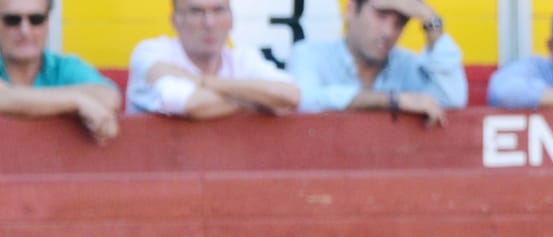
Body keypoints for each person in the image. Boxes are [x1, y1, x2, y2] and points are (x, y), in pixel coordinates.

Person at [289, 0, 465, 126]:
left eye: (400, 22)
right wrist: (392, 100)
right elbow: (304, 99)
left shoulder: (406, 65)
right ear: (351, 11)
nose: (389, 32)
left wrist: (430, 19)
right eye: (381, 16)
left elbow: (451, 97)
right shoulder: (309, 55)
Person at [128, 0, 299, 119]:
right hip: (161, 166)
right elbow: (192, 105)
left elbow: (290, 94)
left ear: (232, 20)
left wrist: (200, 81)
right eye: (196, 11)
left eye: (218, 10)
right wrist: (258, 98)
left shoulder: (242, 57)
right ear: (175, 21)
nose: (209, 23)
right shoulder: (151, 52)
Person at [0, 0, 119, 142]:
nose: (25, 30)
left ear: (48, 22)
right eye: (12, 20)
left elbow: (108, 97)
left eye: (36, 19)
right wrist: (76, 101)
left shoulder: (65, 66)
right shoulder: (75, 96)